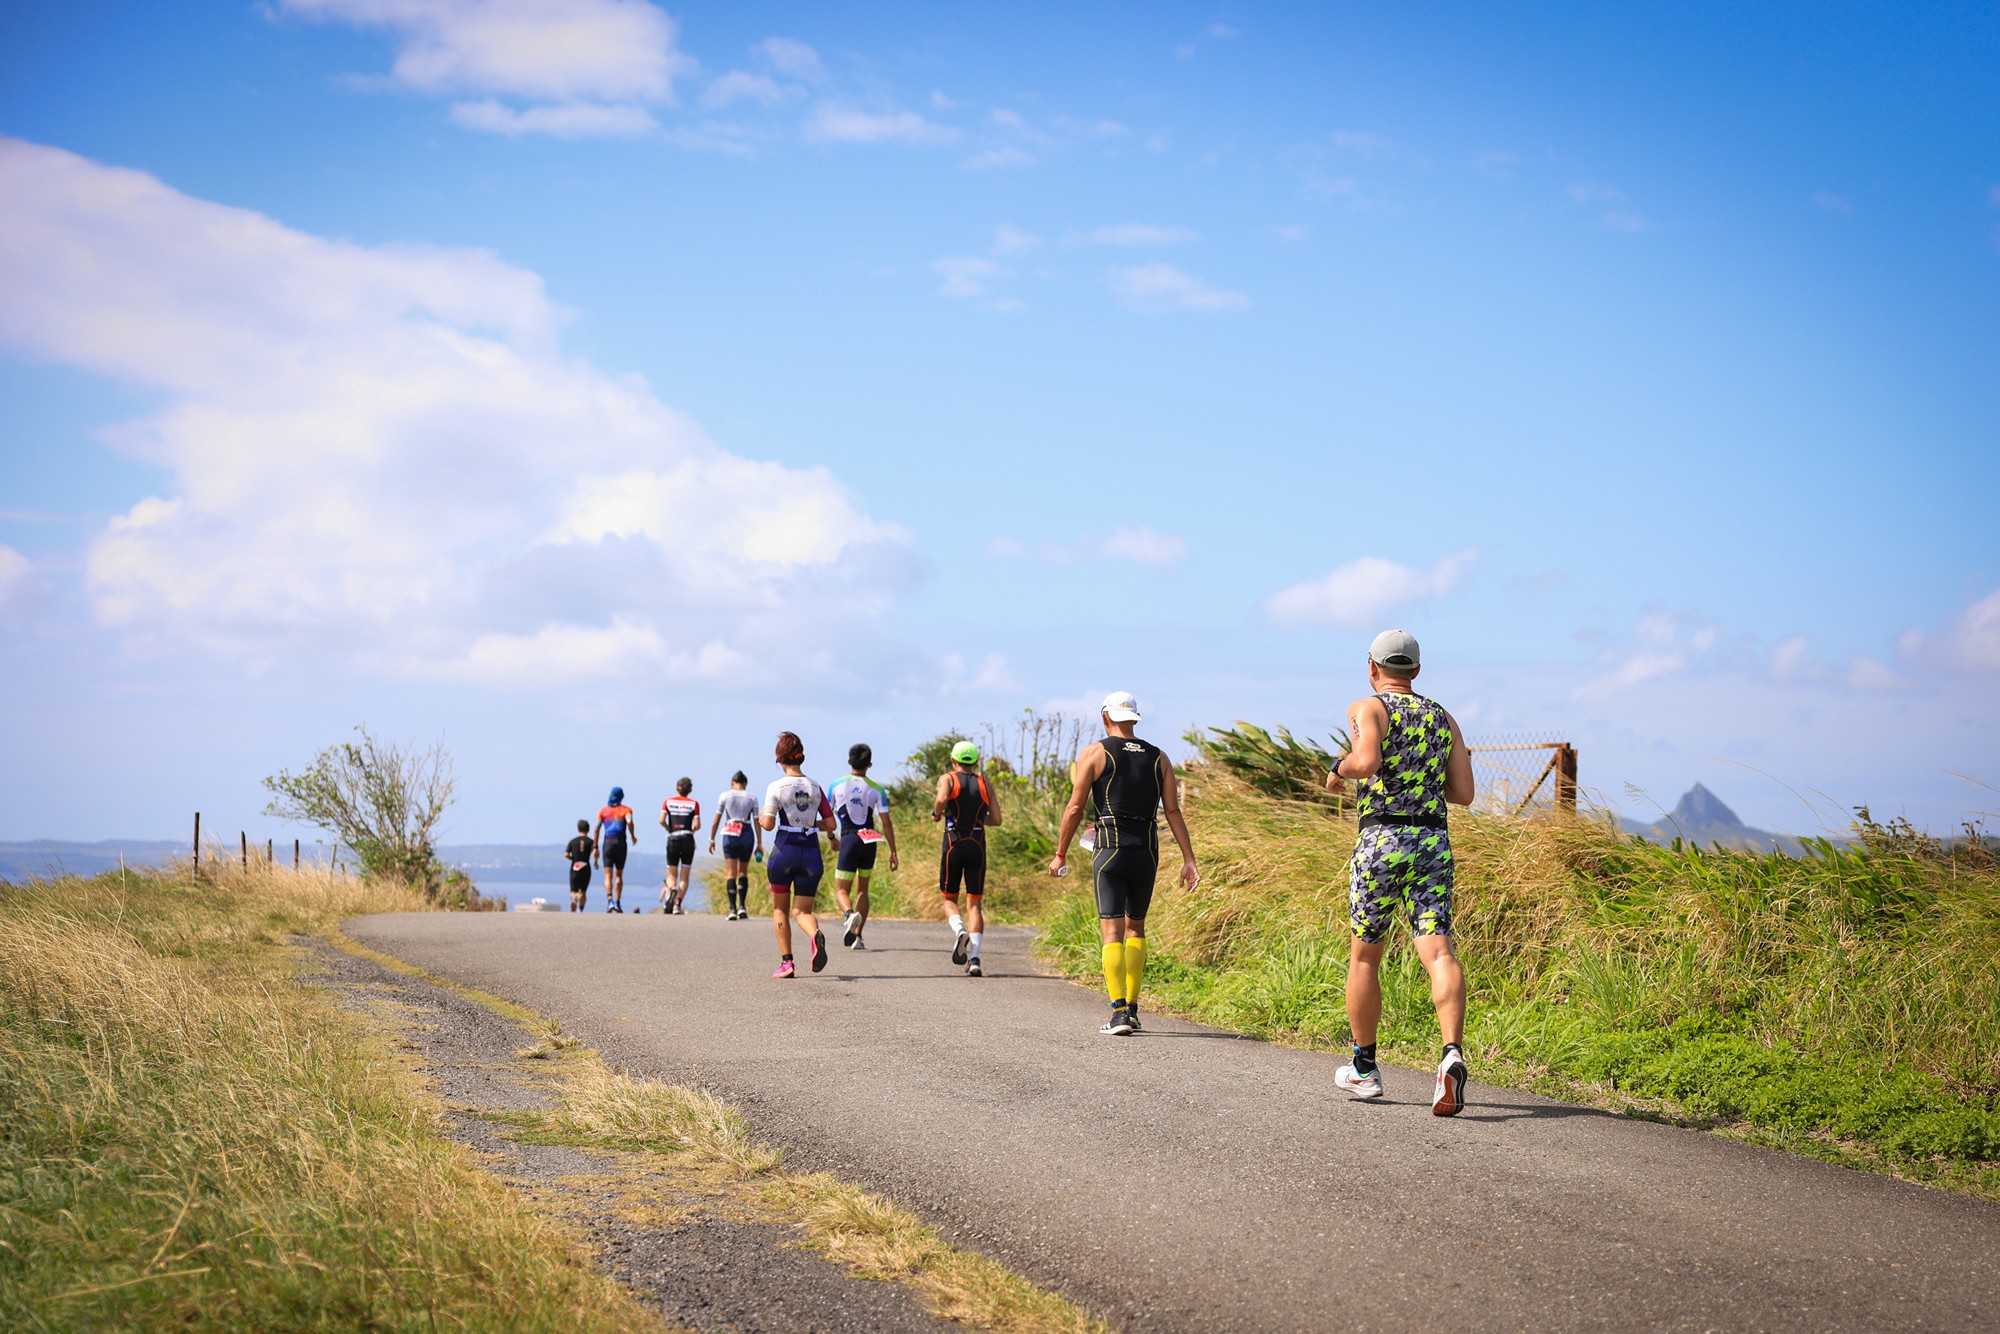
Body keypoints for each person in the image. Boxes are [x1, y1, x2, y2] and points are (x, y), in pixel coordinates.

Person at [1325, 629, 1476, 1116]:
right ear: (1416, 670)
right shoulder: (1442, 717)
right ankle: (1451, 1052)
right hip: (1433, 840)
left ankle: (1364, 1068)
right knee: (1439, 951)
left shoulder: (1368, 708)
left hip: (1382, 839)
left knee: (1366, 957)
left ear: (1372, 667)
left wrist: (1337, 768)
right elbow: (1464, 793)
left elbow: (1366, 761)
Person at [1049, 692, 1200, 1035]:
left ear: (1106, 717)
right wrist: (1189, 859)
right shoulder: (1159, 757)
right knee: (1137, 929)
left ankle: (1118, 1014)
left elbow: (1074, 808)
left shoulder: (1095, 753)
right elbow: (1172, 811)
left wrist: (1060, 853)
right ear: (1134, 719)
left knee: (1111, 932)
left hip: (1110, 850)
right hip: (1146, 851)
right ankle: (1133, 1008)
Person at [759, 732, 836, 977]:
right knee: (803, 911)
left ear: (781, 759)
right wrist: (813, 825)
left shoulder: (776, 787)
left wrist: (761, 819)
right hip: (811, 853)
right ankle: (815, 935)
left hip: (784, 852)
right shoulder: (815, 787)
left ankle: (787, 963)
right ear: (801, 757)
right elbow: (831, 824)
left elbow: (769, 824)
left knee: (780, 909)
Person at [932, 740, 1002, 977]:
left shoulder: (948, 779)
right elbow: (997, 819)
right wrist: (979, 821)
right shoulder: (985, 783)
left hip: (953, 844)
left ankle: (959, 930)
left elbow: (941, 799)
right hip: (978, 845)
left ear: (953, 761)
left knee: (949, 899)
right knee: (975, 903)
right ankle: (974, 959)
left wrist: (937, 813)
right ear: (975, 762)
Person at [829, 743, 898, 950]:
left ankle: (849, 915)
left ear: (849, 761)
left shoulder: (836, 785)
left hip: (849, 839)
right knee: (863, 890)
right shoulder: (877, 789)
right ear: (870, 764)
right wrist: (893, 851)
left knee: (842, 889)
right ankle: (858, 937)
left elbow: (827, 815)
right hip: (870, 840)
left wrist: (831, 836)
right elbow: (886, 821)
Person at [708, 770, 764, 920]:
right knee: (742, 872)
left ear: (732, 783)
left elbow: (716, 819)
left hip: (730, 831)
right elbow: (757, 821)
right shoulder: (752, 797)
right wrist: (759, 843)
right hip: (747, 832)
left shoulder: (725, 795)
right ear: (745, 784)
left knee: (730, 873)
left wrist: (712, 839)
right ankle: (742, 907)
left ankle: (732, 909)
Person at [660, 777, 700, 914]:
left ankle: (672, 889)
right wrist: (691, 830)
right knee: (684, 875)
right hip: (688, 838)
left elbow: (661, 820)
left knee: (672, 874)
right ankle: (677, 903)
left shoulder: (668, 801)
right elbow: (697, 825)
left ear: (677, 787)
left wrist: (668, 828)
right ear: (690, 790)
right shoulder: (694, 804)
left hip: (673, 838)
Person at [595, 786, 637, 913]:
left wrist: (595, 846)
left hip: (608, 843)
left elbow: (597, 828)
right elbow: (629, 822)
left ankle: (609, 901)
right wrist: (632, 835)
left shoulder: (603, 811)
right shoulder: (626, 810)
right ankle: (617, 902)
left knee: (608, 874)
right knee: (618, 875)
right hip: (620, 844)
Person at [564, 819, 594, 912]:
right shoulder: (591, 842)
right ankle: (580, 909)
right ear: (588, 830)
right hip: (585, 866)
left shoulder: (573, 841)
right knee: (583, 891)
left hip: (575, 866)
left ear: (578, 829)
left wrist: (572, 858)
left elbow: (566, 854)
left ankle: (574, 897)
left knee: (573, 890)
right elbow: (595, 853)